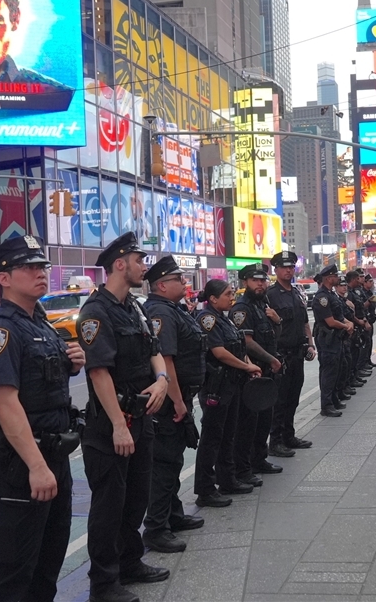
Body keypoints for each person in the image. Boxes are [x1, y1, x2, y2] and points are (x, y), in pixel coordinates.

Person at [0, 235, 85, 602]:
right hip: (23, 463)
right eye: (29, 267)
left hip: (54, 454)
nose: (40, 273)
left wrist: (72, 363)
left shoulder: (41, 323)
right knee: (14, 566)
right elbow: (5, 403)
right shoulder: (1, 329)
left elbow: (42, 380)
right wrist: (36, 466)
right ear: (3, 278)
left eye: (42, 266)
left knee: (49, 557)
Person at [75, 232, 170, 602]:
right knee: (109, 507)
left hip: (142, 417)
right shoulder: (95, 312)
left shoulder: (136, 307)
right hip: (111, 423)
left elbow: (154, 350)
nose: (144, 266)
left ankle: (131, 562)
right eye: (139, 259)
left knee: (135, 499)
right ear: (120, 263)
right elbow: (99, 373)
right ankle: (103, 583)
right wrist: (118, 425)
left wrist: (161, 379)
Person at [141, 256, 207, 554]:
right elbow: (166, 360)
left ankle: (173, 515)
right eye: (180, 279)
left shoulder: (172, 309)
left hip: (179, 397)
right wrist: (179, 402)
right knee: (165, 464)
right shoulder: (160, 312)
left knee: (172, 460)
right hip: (169, 401)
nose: (185, 282)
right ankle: (156, 528)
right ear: (162, 285)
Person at [194, 281, 263, 507]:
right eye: (227, 294)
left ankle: (227, 480)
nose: (231, 297)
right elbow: (219, 352)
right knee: (212, 438)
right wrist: (246, 367)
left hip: (231, 386)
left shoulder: (224, 318)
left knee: (228, 435)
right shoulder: (208, 319)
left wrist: (249, 364)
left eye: (232, 293)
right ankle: (205, 489)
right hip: (216, 387)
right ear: (213, 299)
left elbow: (237, 347)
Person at [230, 264, 284, 484]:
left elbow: (273, 335)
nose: (260, 284)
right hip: (253, 373)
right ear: (246, 282)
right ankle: (244, 467)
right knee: (248, 424)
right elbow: (247, 342)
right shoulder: (241, 309)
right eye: (255, 280)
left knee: (265, 419)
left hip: (268, 372)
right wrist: (271, 359)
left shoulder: (264, 304)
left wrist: (277, 320)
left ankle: (259, 460)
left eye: (263, 280)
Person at [265, 251, 315, 456]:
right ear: (276, 270)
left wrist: (310, 344)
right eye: (284, 267)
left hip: (297, 353)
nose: (288, 270)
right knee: (280, 400)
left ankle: (289, 435)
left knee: (293, 397)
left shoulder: (296, 293)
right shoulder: (270, 295)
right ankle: (275, 441)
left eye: (291, 267)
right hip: (281, 355)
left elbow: (304, 322)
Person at [311, 265, 353, 417]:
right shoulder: (322, 297)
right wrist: (346, 326)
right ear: (329, 278)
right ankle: (326, 405)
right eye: (335, 276)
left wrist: (348, 322)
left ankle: (333, 399)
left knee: (337, 370)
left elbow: (340, 315)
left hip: (336, 338)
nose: (337, 278)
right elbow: (330, 321)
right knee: (328, 373)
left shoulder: (331, 294)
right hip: (327, 339)